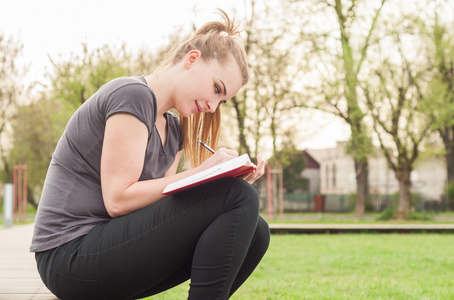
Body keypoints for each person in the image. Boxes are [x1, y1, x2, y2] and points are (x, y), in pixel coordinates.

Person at [30, 9, 270, 300]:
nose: (212, 106)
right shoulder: (132, 95)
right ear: (192, 60)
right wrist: (206, 171)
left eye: (222, 100)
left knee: (255, 231)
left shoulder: (174, 130)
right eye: (216, 89)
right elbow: (118, 200)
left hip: (106, 247)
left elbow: (158, 207)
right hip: (68, 256)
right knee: (239, 198)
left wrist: (225, 176)